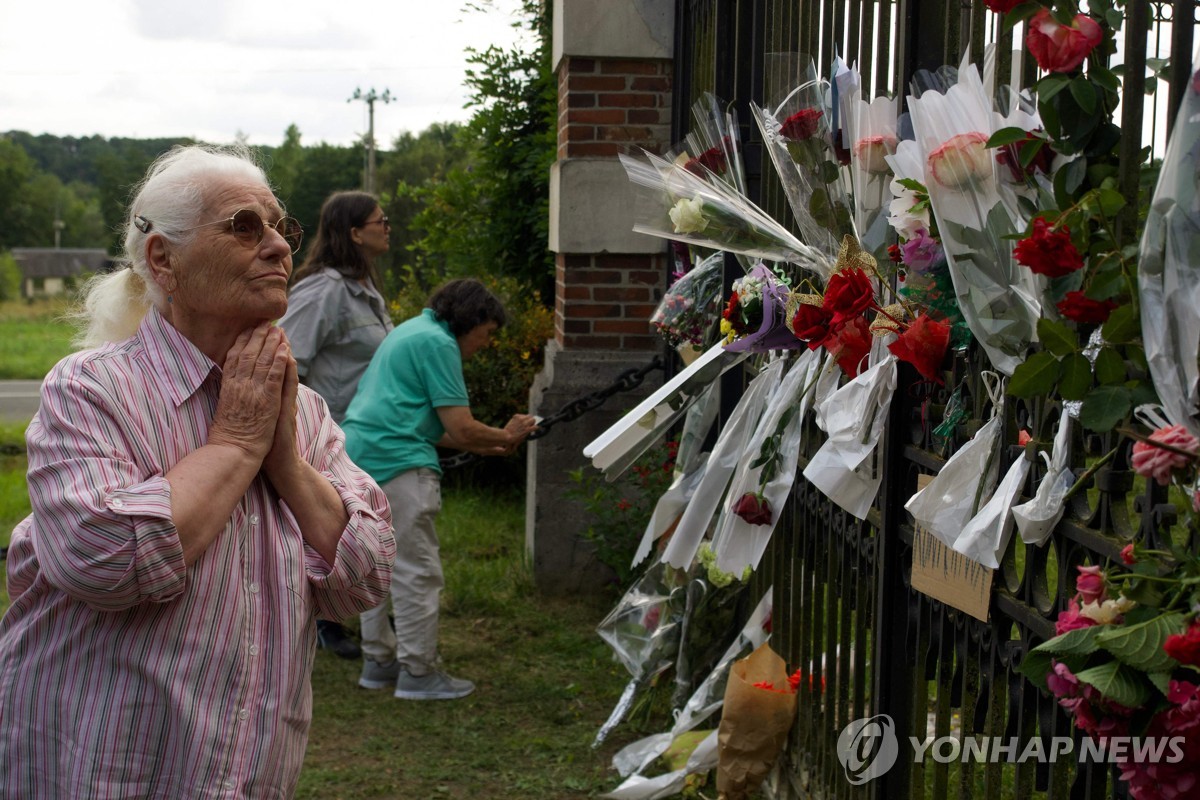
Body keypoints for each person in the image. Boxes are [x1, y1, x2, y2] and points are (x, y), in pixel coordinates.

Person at [0, 144, 396, 797]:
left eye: (279, 226)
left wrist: (288, 464)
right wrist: (238, 444)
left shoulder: (307, 413)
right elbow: (105, 561)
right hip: (99, 771)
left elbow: (368, 575)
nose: (276, 246)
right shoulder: (92, 391)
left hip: (248, 775)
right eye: (245, 226)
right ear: (164, 259)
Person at [341, 278, 538, 700]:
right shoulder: (439, 343)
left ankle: (380, 662)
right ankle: (418, 672)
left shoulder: (411, 331)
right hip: (400, 465)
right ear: (472, 320)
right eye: (486, 335)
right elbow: (462, 429)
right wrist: (505, 435)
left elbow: (435, 426)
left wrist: (493, 441)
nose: (485, 344)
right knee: (417, 571)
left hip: (362, 457)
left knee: (376, 565)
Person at [278, 190, 394, 660]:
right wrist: (292, 437)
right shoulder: (322, 291)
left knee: (357, 526)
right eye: (379, 220)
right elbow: (288, 362)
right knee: (325, 525)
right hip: (326, 436)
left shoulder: (364, 289)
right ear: (353, 232)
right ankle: (323, 618)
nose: (388, 226)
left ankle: (344, 610)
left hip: (362, 434)